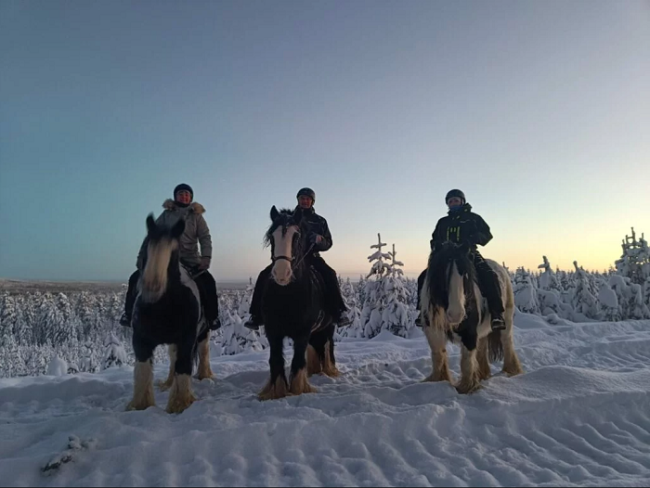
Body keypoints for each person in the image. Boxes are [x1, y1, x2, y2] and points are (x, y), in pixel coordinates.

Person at [244, 187, 350, 330]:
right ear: (298, 200)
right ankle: (256, 315)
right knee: (264, 275)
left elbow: (328, 243)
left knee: (329, 273)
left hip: (311, 257)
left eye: (307, 199)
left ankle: (338, 311)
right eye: (302, 198)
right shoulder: (288, 218)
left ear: (312, 202)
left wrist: (320, 239)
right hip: (290, 258)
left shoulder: (320, 221)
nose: (304, 201)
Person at [120, 183, 220, 330]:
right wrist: (142, 257)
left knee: (208, 282)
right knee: (135, 278)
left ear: (191, 197)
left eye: (187, 194)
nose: (184, 196)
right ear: (175, 197)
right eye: (181, 194)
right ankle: (128, 314)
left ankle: (212, 317)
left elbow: (205, 237)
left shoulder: (196, 217)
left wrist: (206, 257)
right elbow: (151, 236)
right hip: (165, 260)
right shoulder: (166, 215)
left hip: (190, 260)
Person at [416, 189, 506, 331]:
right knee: (424, 277)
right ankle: (424, 311)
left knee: (489, 275)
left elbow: (487, 234)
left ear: (462, 201)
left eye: (456, 200)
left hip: (468, 254)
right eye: (450, 201)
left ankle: (496, 314)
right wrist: (437, 246)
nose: (453, 203)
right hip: (446, 257)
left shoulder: (473, 218)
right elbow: (434, 239)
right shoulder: (443, 222)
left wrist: (470, 240)